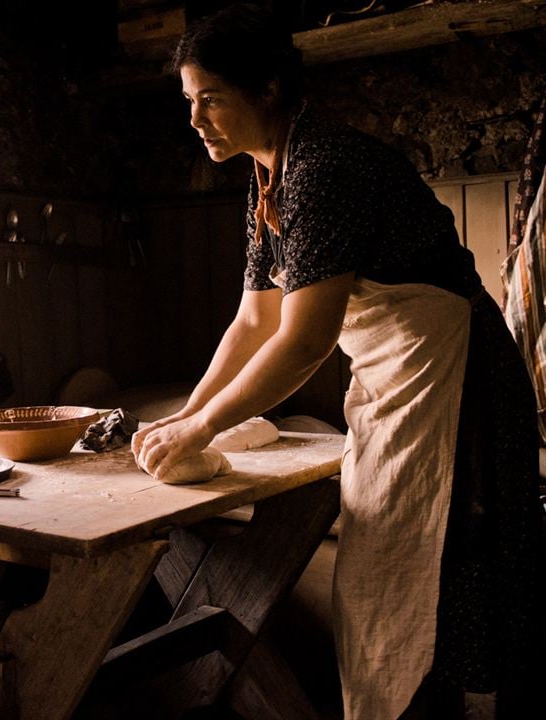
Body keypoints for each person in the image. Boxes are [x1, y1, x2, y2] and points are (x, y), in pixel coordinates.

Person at [132, 5, 543, 719]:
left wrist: (199, 434)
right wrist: (186, 415)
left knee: (446, 559)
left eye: (211, 99)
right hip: (398, 377)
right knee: (390, 566)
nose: (195, 120)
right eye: (188, 102)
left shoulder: (323, 167)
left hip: (458, 379)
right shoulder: (267, 176)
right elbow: (251, 319)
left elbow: (302, 340)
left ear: (267, 90)